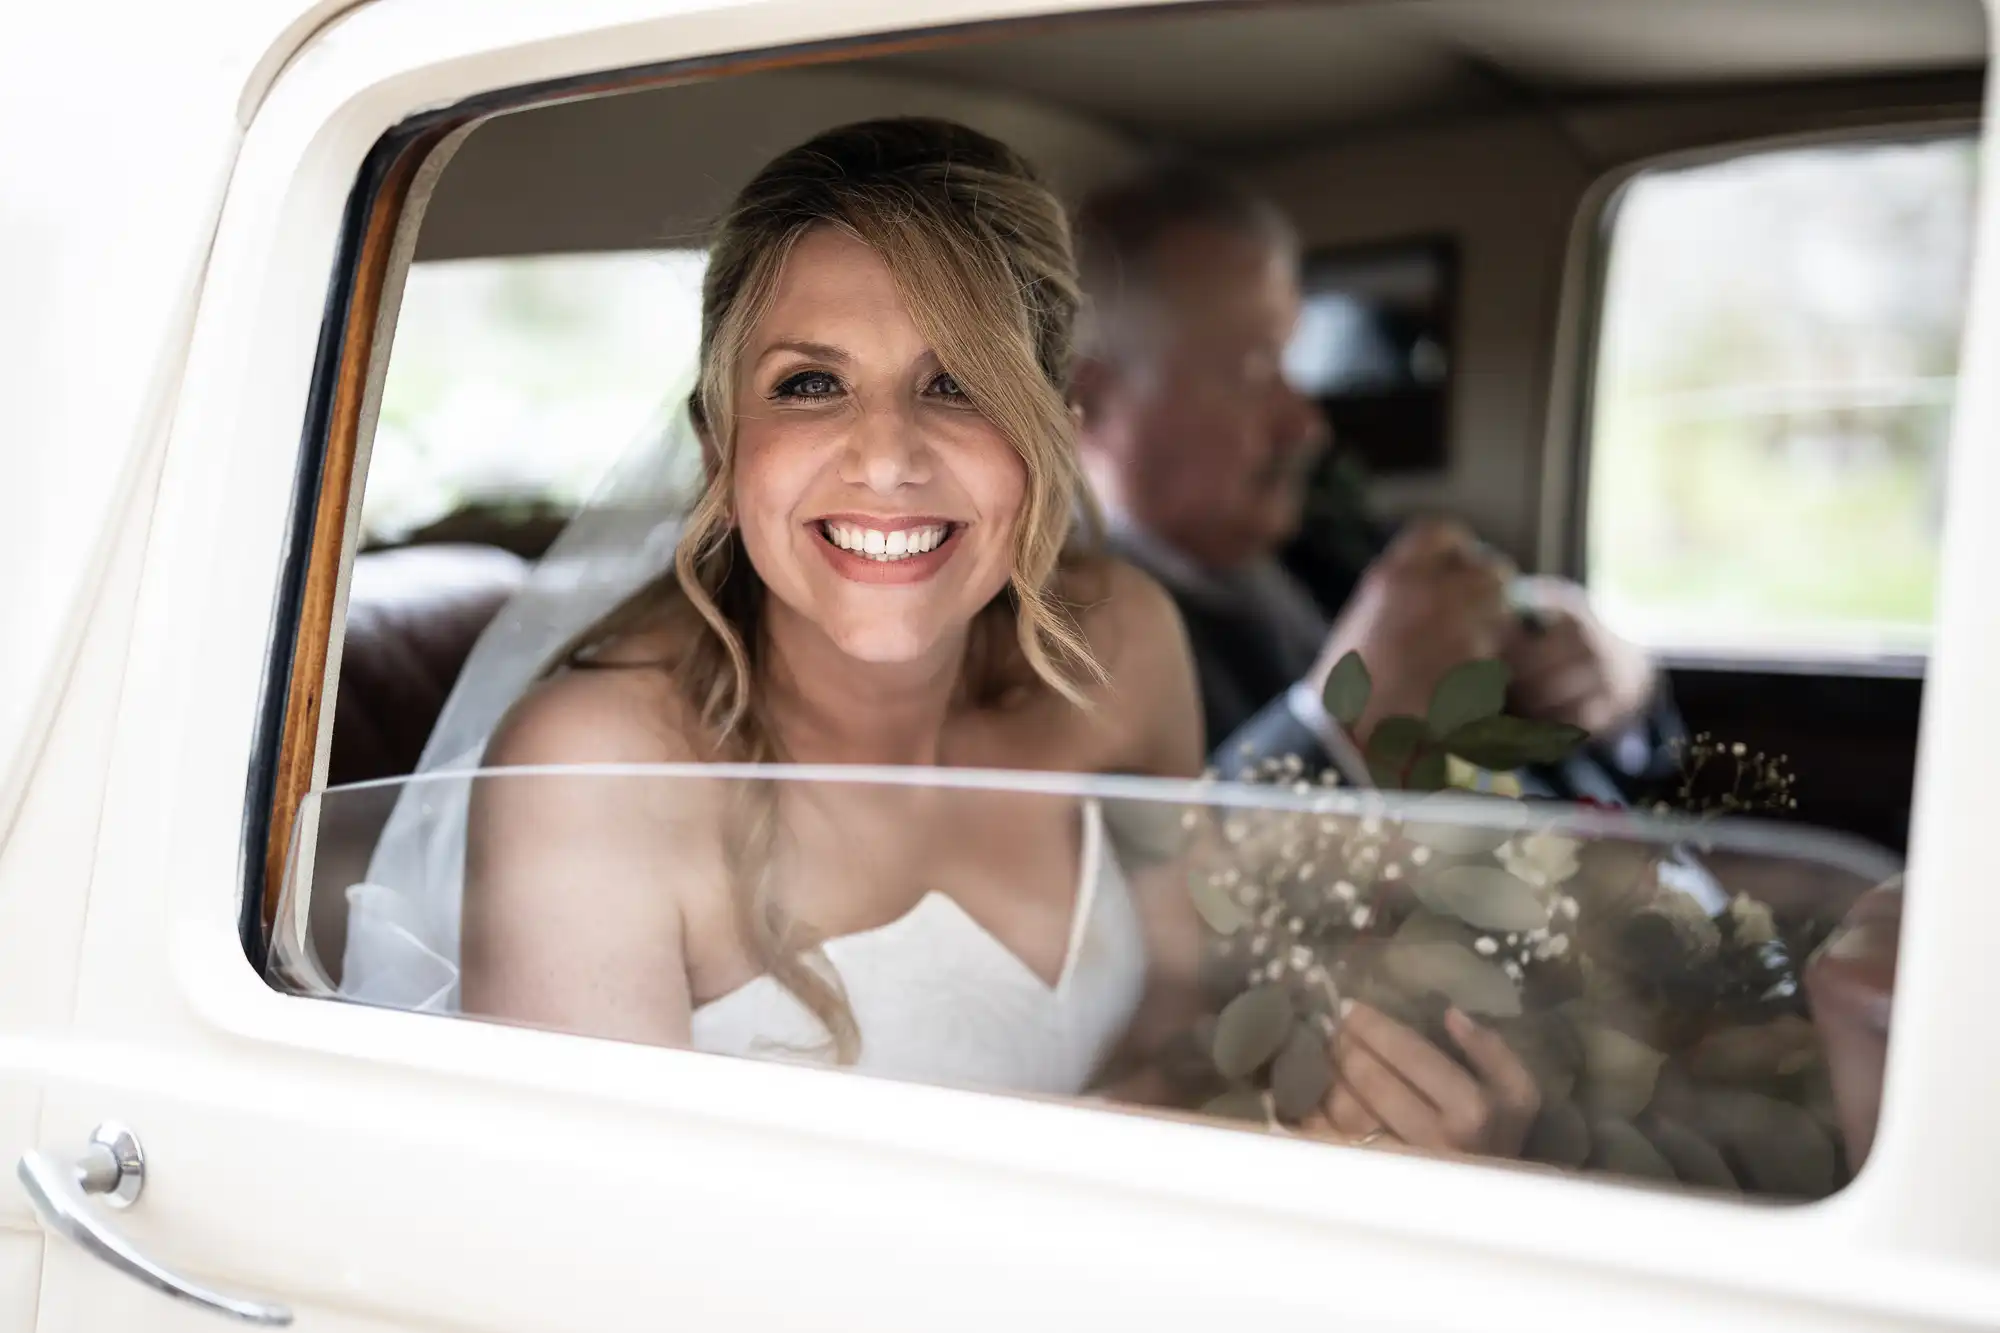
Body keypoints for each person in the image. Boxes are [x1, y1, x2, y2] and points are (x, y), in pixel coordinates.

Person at [337, 118, 1541, 1159]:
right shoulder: (595, 771)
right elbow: (597, 1271)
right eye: (810, 384)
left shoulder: (1124, 643)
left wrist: (1358, 1119)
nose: (886, 457)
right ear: (720, 445)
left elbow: (1190, 1023)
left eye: (956, 382)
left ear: (1053, 438)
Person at [1069, 162, 1671, 794]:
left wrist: (1615, 679)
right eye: (1253, 372)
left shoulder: (1333, 547)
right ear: (1095, 404)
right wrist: (1342, 733)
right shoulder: (1056, 654)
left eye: (1289, 366)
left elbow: (1625, 746)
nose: (1307, 425)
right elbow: (1137, 880)